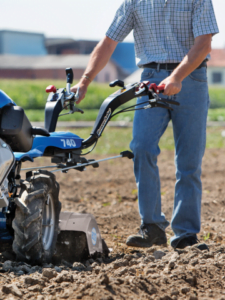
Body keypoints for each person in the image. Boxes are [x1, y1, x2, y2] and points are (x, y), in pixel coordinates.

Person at [71, 0, 219, 249]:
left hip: (191, 77)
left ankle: (185, 234)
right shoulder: (134, 2)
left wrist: (176, 76)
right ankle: (151, 227)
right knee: (141, 146)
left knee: (189, 162)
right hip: (150, 79)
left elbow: (203, 43)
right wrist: (84, 81)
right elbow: (108, 42)